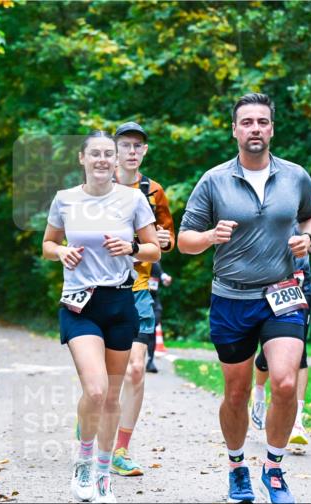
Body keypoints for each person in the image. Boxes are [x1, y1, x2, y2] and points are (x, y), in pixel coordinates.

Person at [177, 92, 311, 504]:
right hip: (231, 298)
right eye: (247, 122)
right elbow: (184, 241)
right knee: (237, 393)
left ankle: (273, 468)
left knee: (286, 382)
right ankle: (237, 465)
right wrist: (209, 237)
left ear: (271, 129)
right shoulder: (214, 180)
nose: (255, 128)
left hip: (283, 293)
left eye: (262, 121)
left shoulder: (295, 176)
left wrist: (308, 238)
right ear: (235, 130)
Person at [42, 130, 161, 504]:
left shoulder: (133, 199)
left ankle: (105, 472)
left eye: (109, 154)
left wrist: (131, 247)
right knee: (95, 390)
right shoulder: (65, 199)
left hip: (120, 302)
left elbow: (154, 249)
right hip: (80, 304)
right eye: (95, 153)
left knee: (111, 396)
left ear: (116, 160)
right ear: (82, 158)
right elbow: (47, 244)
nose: (103, 160)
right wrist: (61, 253)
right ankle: (84, 460)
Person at [110, 121, 175, 477]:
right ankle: (91, 414)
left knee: (136, 369)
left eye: (138, 145)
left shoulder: (154, 191)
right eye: (126, 145)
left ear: (145, 150)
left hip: (138, 290)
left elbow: (168, 239)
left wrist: (164, 241)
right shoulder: (98, 186)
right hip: (101, 290)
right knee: (107, 376)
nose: (132, 151)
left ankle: (121, 449)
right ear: (115, 149)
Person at [251, 238, 311, 443]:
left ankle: (297, 421)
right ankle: (258, 392)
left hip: (300, 285)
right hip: (269, 282)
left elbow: (310, 232)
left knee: (299, 352)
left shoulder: (303, 215)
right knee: (269, 352)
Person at [145, 261, 172, 373]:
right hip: (138, 301)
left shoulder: (155, 263)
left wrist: (166, 279)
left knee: (152, 328)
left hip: (154, 302)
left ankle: (150, 361)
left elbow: (162, 275)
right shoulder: (136, 260)